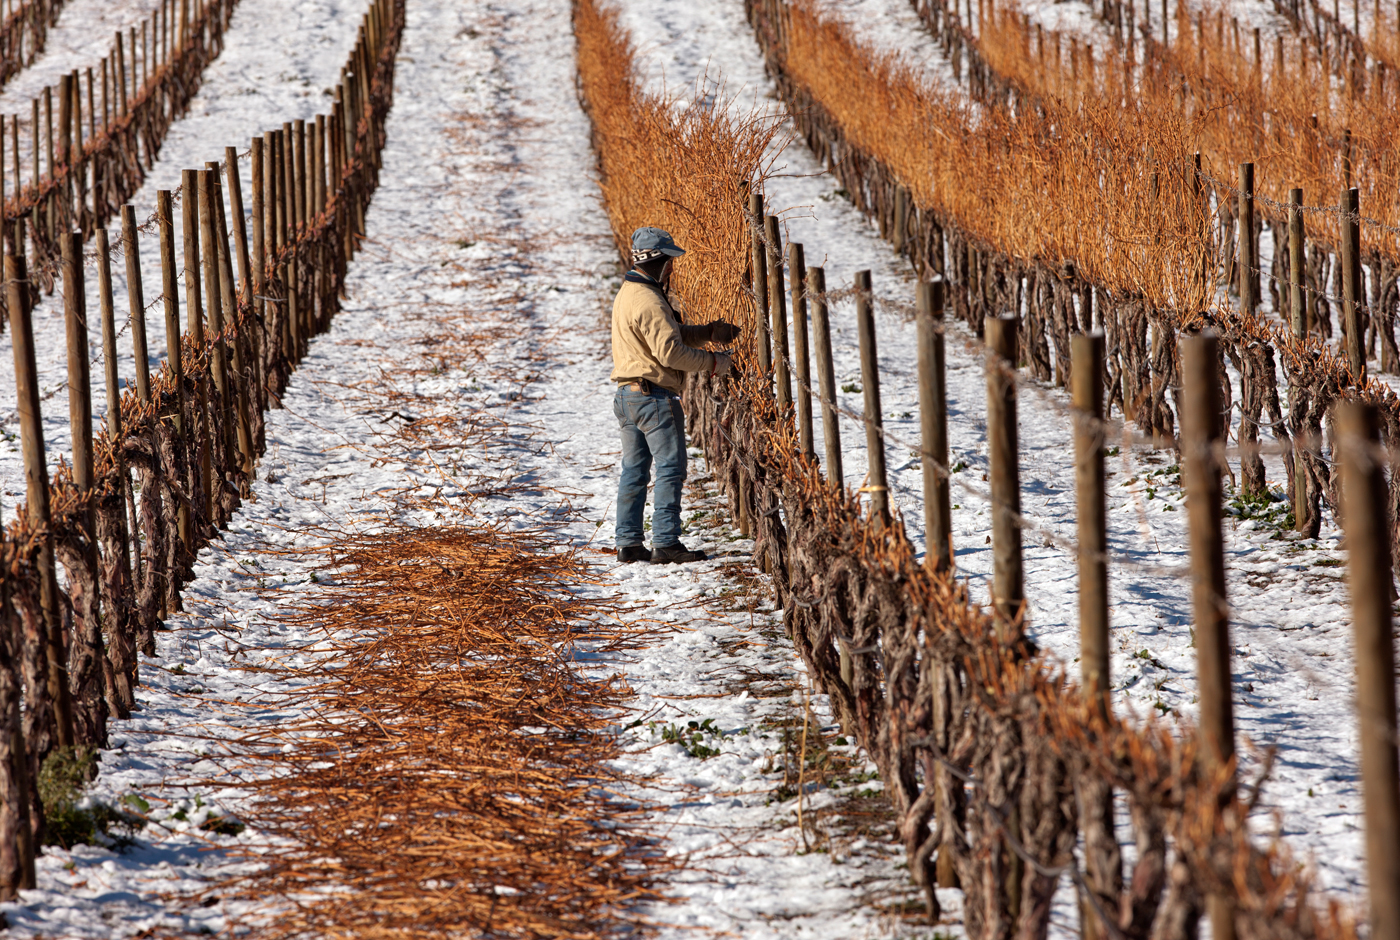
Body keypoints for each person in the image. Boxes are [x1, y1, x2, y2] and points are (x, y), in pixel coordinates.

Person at [611, 226, 738, 564]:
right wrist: (715, 362)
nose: (673, 267)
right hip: (654, 399)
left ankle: (629, 543)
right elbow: (670, 354)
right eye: (670, 261)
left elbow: (667, 337)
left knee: (634, 470)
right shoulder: (650, 300)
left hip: (627, 396)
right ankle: (666, 542)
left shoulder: (629, 293)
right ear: (658, 261)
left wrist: (707, 333)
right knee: (670, 468)